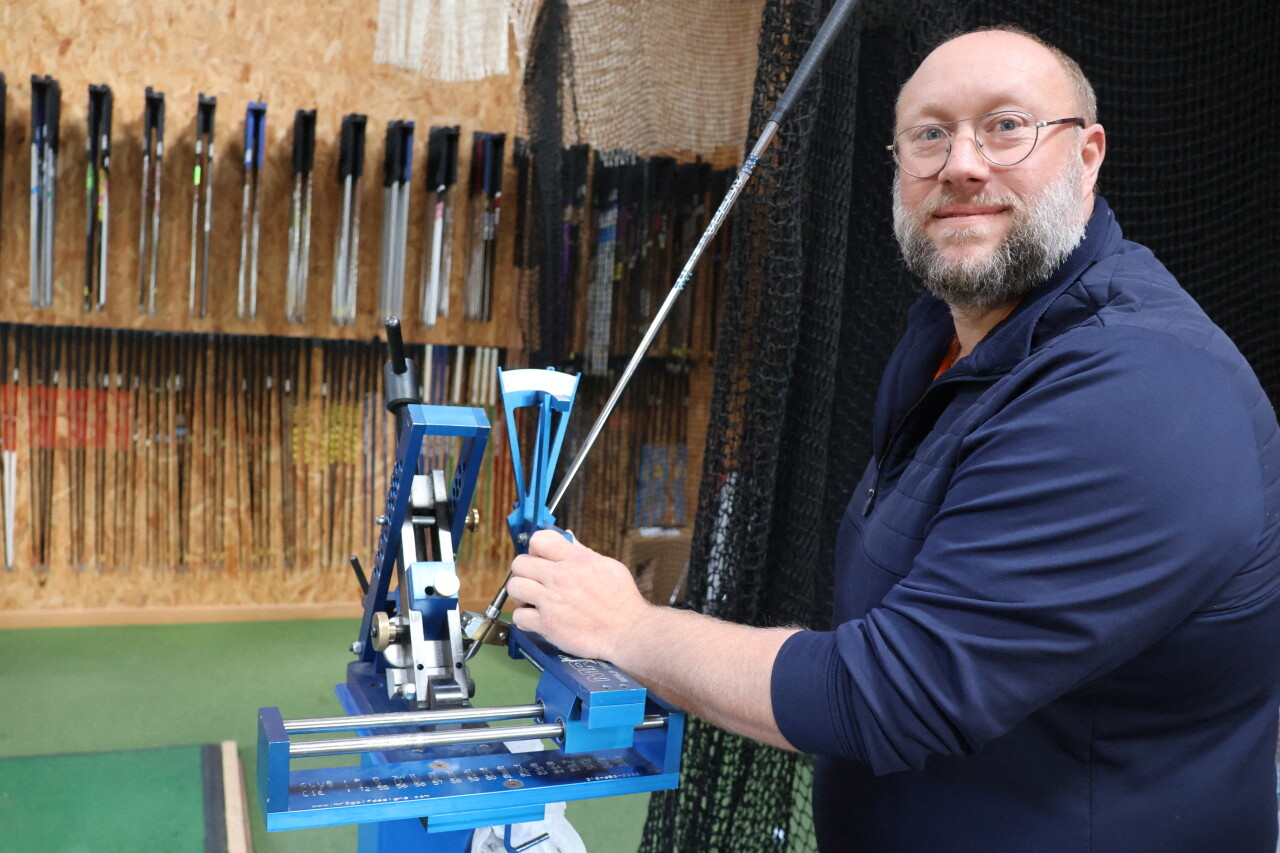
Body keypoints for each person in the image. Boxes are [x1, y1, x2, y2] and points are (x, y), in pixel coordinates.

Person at [508, 25, 1280, 853]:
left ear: (1087, 156)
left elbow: (887, 694)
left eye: (1006, 126)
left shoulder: (1139, 393)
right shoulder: (948, 339)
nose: (962, 164)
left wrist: (627, 628)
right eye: (930, 134)